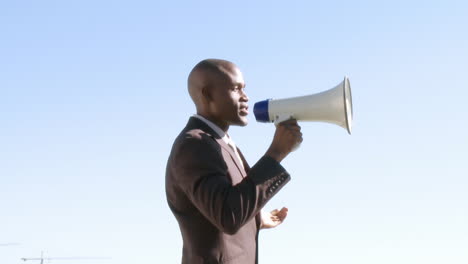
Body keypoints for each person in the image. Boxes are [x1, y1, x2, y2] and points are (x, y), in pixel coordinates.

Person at [166, 59, 302, 264]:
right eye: (235, 89)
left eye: (244, 88)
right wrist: (276, 153)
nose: (245, 97)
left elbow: (223, 206)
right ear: (207, 94)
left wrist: (255, 219)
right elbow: (227, 215)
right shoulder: (193, 144)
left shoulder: (218, 143)